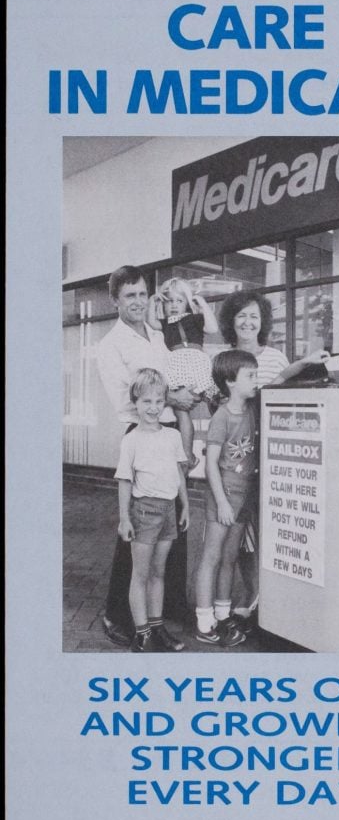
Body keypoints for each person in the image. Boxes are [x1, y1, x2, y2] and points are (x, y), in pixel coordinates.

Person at [96, 265, 201, 646]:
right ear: (116, 301)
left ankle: (161, 615)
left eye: (142, 293)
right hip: (141, 434)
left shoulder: (156, 335)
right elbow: (127, 399)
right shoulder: (111, 346)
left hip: (171, 434)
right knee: (137, 534)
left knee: (171, 528)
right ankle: (117, 615)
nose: (138, 301)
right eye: (129, 296)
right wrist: (171, 398)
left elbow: (178, 367)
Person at [217, 289, 333, 629]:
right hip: (236, 457)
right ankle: (252, 591)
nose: (248, 322)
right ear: (231, 322)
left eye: (254, 316)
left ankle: (270, 595)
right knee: (239, 531)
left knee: (270, 524)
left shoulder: (275, 357)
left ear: (263, 322)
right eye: (241, 316)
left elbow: (285, 393)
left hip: (271, 454)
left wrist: (303, 365)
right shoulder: (224, 358)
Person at [115, 369, 189, 652]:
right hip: (143, 511)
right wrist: (124, 518)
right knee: (141, 574)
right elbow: (124, 480)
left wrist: (185, 508)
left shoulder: (171, 436)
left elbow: (179, 474)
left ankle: (157, 629)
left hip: (169, 509)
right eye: (147, 401)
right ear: (135, 402)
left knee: (159, 572)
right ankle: (142, 634)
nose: (154, 407)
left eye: (159, 401)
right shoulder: (131, 439)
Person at [194, 349, 260, 647]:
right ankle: (204, 622)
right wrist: (221, 502)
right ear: (230, 381)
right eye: (251, 376)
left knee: (230, 558)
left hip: (243, 496)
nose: (256, 381)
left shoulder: (251, 409)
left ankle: (222, 615)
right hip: (224, 496)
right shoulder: (221, 417)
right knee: (212, 556)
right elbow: (210, 464)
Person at [147, 277, 218, 469]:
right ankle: (188, 455)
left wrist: (201, 303)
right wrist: (153, 301)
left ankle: (220, 442)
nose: (174, 305)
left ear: (186, 302)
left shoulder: (194, 318)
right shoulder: (165, 323)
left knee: (214, 399)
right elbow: (151, 322)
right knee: (182, 411)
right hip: (178, 367)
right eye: (169, 301)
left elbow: (212, 327)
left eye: (179, 301)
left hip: (197, 363)